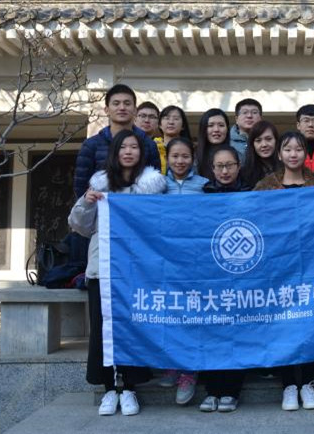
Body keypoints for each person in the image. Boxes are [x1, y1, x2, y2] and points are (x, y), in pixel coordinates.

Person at [68, 129, 167, 416]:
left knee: (134, 327)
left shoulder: (151, 187)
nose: (128, 151)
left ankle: (130, 389)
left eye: (134, 147)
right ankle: (109, 390)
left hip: (137, 270)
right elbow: (79, 226)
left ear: (142, 152)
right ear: (114, 152)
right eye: (123, 147)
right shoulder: (99, 184)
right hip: (103, 268)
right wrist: (86, 201)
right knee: (103, 329)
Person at [254, 131, 314, 411]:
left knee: (308, 321)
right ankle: (288, 385)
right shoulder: (265, 186)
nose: (293, 154)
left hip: (313, 265)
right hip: (277, 266)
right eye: (288, 149)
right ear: (280, 154)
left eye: (298, 149)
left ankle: (307, 383)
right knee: (282, 325)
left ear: (305, 153)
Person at [196, 144, 250, 413]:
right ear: (212, 169)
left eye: (230, 165)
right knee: (211, 332)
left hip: (242, 275)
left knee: (237, 333)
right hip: (210, 276)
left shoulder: (251, 194)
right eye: (220, 166)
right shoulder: (202, 196)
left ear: (238, 167)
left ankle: (231, 391)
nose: (225, 171)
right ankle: (212, 390)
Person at [156, 136, 208, 405]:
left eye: (185, 156)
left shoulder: (204, 185)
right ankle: (172, 364)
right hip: (166, 260)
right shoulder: (157, 185)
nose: (180, 161)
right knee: (170, 312)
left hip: (196, 261)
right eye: (175, 156)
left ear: (193, 158)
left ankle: (190, 372)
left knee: (193, 314)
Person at [73, 84, 160, 197]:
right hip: (102, 206)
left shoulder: (148, 144)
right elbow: (80, 187)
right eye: (116, 103)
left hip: (139, 206)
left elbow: (155, 184)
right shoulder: (91, 145)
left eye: (127, 103)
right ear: (106, 110)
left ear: (135, 110)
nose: (122, 108)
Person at [240, 120, 281, 189]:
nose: (264, 145)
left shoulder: (287, 168)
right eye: (258, 140)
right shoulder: (244, 174)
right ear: (252, 144)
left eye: (268, 139)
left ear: (276, 141)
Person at [155, 105, 192, 175]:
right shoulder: (153, 146)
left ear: (183, 126)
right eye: (167, 118)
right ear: (160, 125)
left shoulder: (190, 149)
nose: (171, 122)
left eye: (176, 119)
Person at [196, 108, 230, 181]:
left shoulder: (236, 154)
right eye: (210, 125)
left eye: (221, 125)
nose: (216, 129)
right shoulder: (193, 156)